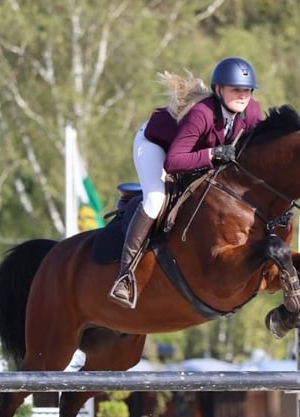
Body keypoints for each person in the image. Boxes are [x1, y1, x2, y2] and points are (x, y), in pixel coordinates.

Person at [109, 57, 262, 309]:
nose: (243, 95)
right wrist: (212, 154)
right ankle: (124, 277)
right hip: (157, 146)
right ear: (219, 90)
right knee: (156, 199)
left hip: (194, 152)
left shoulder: (252, 112)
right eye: (236, 89)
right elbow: (174, 162)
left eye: (247, 90)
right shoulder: (202, 114)